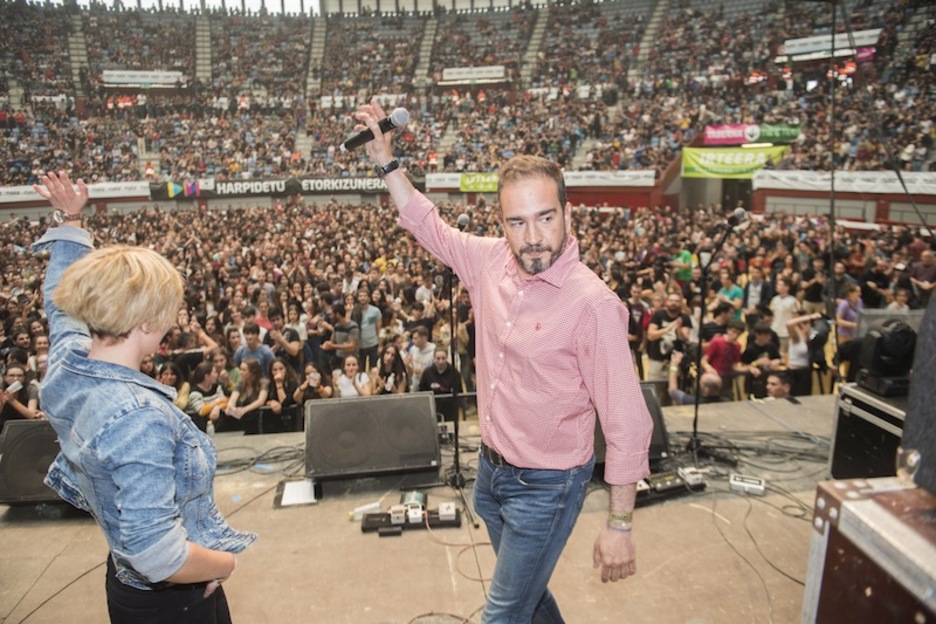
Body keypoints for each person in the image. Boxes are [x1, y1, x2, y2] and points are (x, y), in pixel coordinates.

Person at [356, 100, 652, 623]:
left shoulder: (593, 305)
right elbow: (428, 224)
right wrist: (386, 162)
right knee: (527, 596)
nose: (532, 237)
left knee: (503, 612)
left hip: (549, 487)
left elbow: (627, 421)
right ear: (502, 223)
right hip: (491, 475)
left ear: (567, 215)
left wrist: (620, 525)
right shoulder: (490, 259)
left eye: (545, 218)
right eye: (517, 222)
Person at [31, 171, 253, 624]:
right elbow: (158, 555)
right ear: (149, 323)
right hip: (171, 602)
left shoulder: (69, 362)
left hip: (127, 583)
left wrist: (70, 221)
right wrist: (224, 564)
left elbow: (59, 305)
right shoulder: (138, 418)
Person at [418, 347, 462, 422]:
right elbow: (422, 391)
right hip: (432, 409)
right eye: (438, 358)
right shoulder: (427, 372)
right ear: (434, 358)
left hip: (450, 410)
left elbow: (459, 392)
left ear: (447, 358)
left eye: (443, 358)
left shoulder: (454, 373)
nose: (440, 361)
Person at [224, 359, 269, 431]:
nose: (240, 372)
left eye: (244, 370)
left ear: (252, 372)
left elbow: (261, 401)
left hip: (259, 417)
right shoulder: (240, 383)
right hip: (244, 419)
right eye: (240, 369)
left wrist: (245, 409)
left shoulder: (263, 383)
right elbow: (233, 398)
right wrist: (230, 406)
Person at [187, 361, 228, 431]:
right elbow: (202, 411)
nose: (217, 375)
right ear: (207, 376)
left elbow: (225, 402)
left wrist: (217, 408)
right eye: (214, 372)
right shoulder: (194, 393)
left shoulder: (217, 387)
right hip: (199, 424)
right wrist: (217, 401)